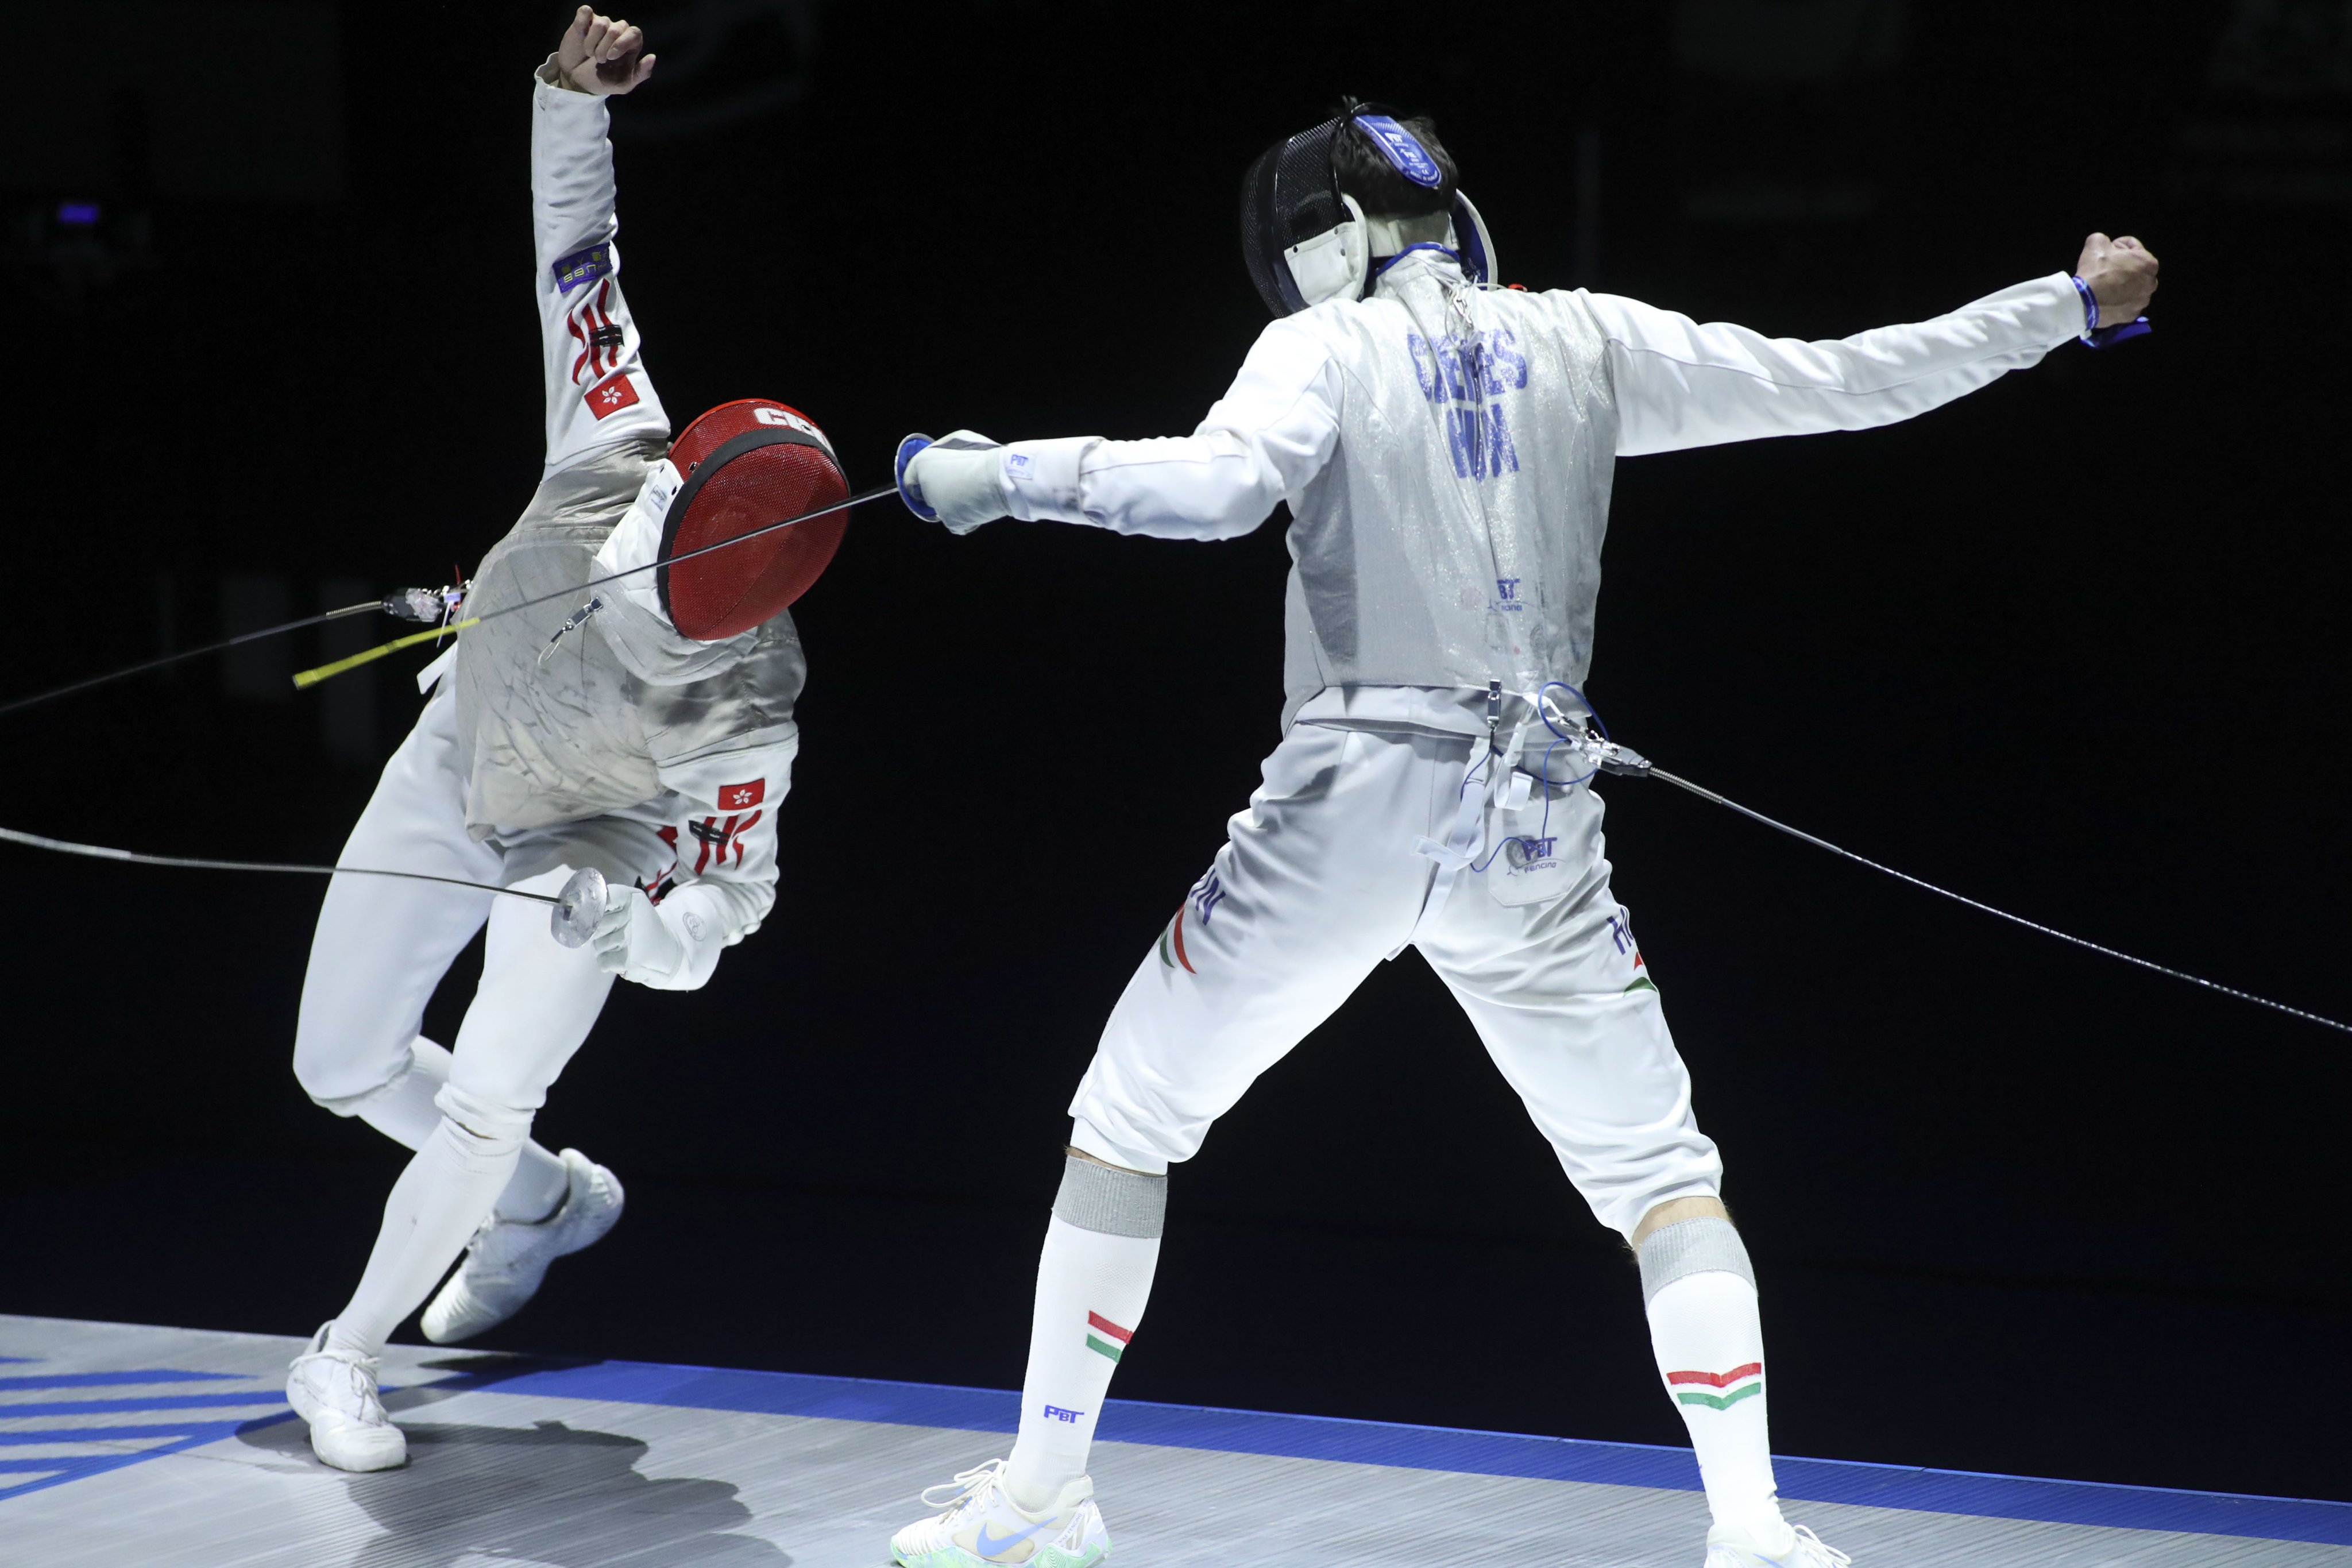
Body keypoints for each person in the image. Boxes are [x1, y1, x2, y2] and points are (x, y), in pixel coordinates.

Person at [886, 103, 2158, 1568]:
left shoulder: (1319, 345)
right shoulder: (1588, 337)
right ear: (1454, 219)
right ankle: (1752, 1534)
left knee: (1124, 1124)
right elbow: (1847, 381)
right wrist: (2057, 309)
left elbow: (1215, 491)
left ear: (1321, 251)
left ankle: (1041, 1506)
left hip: (1351, 798)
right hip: (1536, 826)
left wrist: (991, 478)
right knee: (1663, 1177)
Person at [283, 7, 849, 1473]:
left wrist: (629, 923)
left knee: (480, 1096)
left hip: (581, 851)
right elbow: (577, 253)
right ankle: (546, 1205)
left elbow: (730, 909)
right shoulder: (611, 435)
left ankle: (343, 1358)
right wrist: (567, 97)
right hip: (456, 762)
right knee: (338, 1066)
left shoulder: (746, 716)